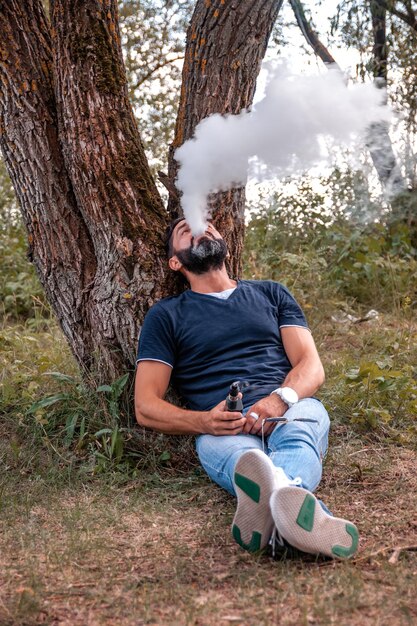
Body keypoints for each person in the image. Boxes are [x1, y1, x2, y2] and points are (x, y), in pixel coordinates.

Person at [134, 217, 359, 559]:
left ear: (224, 241)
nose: (199, 229)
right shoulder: (165, 316)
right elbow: (145, 405)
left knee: (300, 433)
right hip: (223, 429)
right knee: (245, 462)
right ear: (175, 262)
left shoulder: (270, 292)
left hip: (289, 407)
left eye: (205, 225)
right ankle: (294, 509)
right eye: (186, 231)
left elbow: (310, 365)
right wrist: (204, 423)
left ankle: (277, 512)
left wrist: (279, 399)